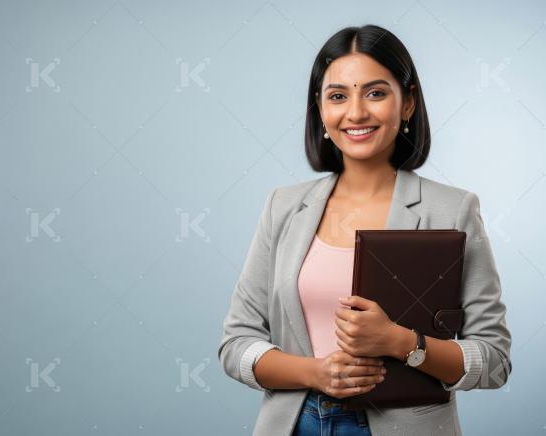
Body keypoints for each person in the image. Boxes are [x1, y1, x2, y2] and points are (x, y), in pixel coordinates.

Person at [218, 24, 512, 436]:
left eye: (375, 93)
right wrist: (315, 373)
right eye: (338, 96)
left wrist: (401, 343)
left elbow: (494, 359)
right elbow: (236, 345)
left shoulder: (453, 209)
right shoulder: (283, 207)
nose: (356, 112)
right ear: (320, 109)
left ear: (407, 103)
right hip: (295, 424)